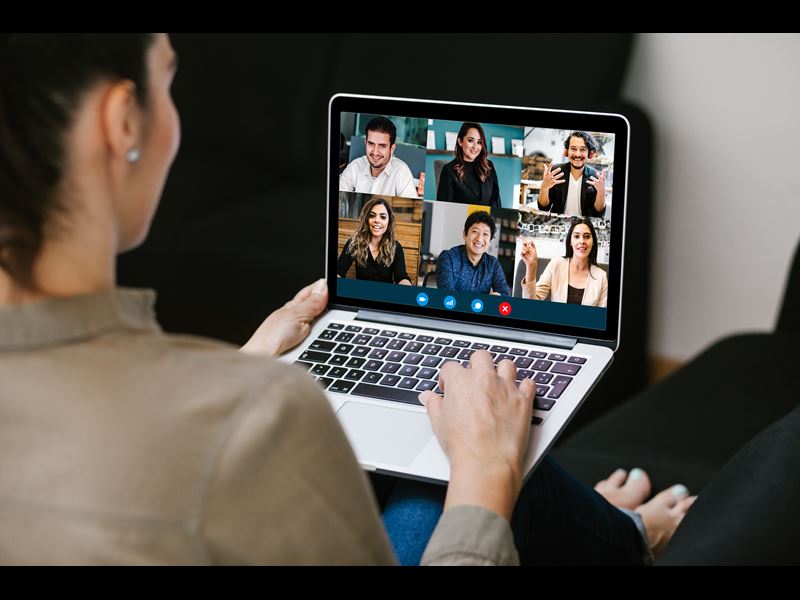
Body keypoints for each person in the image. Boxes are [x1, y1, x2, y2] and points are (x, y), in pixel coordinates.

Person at [0, 34, 693, 566]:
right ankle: (622, 540)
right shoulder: (265, 418)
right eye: (168, 82)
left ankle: (616, 533)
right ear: (123, 121)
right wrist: (486, 479)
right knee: (443, 460)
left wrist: (245, 366)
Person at [520, 218, 608, 307]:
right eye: (576, 236)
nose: (582, 241)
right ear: (570, 241)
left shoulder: (601, 276)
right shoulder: (556, 264)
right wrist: (531, 266)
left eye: (587, 236)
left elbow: (601, 317)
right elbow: (530, 304)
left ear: (593, 242)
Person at [338, 116, 418, 199]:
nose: (375, 152)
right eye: (371, 144)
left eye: (382, 146)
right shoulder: (355, 166)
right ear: (366, 143)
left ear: (392, 148)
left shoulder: (401, 172)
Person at [337, 197, 412, 285]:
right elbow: (339, 272)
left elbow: (401, 277)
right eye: (372, 216)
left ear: (389, 222)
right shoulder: (354, 243)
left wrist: (406, 287)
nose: (377, 220)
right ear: (366, 220)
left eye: (383, 217)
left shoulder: (395, 247)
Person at [436, 211, 510, 296]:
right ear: (465, 234)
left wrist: (499, 297)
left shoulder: (493, 264)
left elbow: (505, 294)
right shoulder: (448, 258)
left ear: (490, 241)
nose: (479, 239)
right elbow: (447, 296)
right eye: (475, 232)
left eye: (485, 234)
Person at [537, 131, 607, 217]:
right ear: (566, 152)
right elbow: (544, 208)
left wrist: (601, 192)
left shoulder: (596, 176)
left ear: (590, 153)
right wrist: (544, 188)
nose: (577, 154)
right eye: (573, 149)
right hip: (558, 224)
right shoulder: (556, 172)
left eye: (582, 149)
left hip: (584, 226)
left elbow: (598, 213)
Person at [436, 122, 501, 207]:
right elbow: (443, 207)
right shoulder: (448, 170)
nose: (475, 146)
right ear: (460, 142)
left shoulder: (489, 165)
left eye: (479, 142)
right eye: (470, 140)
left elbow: (496, 200)